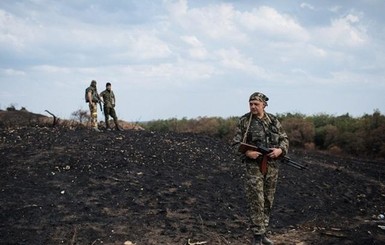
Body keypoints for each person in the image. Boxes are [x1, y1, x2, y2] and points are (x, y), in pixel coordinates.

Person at [232, 92, 289, 245]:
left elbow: (284, 139)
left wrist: (280, 150)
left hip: (272, 165)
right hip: (253, 166)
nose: (253, 106)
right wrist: (248, 153)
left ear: (264, 105)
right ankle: (257, 235)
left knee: (268, 200)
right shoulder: (245, 121)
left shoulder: (273, 120)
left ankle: (263, 232)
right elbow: (235, 144)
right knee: (256, 199)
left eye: (256, 104)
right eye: (250, 104)